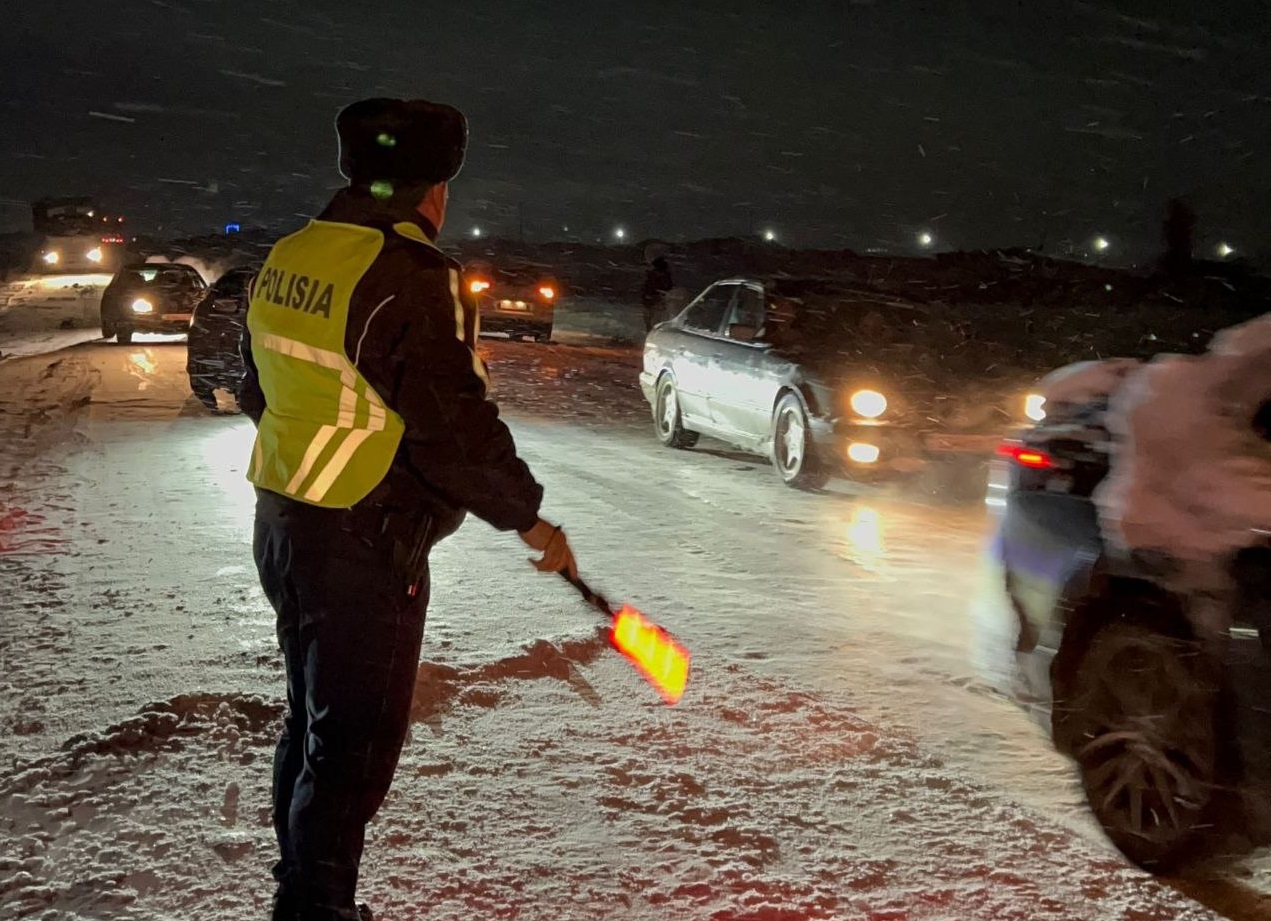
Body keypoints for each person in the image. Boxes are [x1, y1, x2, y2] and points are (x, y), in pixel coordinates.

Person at [238, 97, 578, 921]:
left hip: (283, 520)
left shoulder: (295, 252)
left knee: (314, 724)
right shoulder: (405, 272)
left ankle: (302, 888)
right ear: (436, 188)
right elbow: (451, 427)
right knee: (352, 746)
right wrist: (529, 519)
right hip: (362, 540)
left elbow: (257, 388)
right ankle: (314, 910)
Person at [640, 255, 674, 332]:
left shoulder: (652, 275)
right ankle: (652, 331)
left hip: (653, 299)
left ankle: (650, 330)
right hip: (656, 299)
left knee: (651, 317)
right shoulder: (664, 276)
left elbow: (647, 286)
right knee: (655, 317)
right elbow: (668, 287)